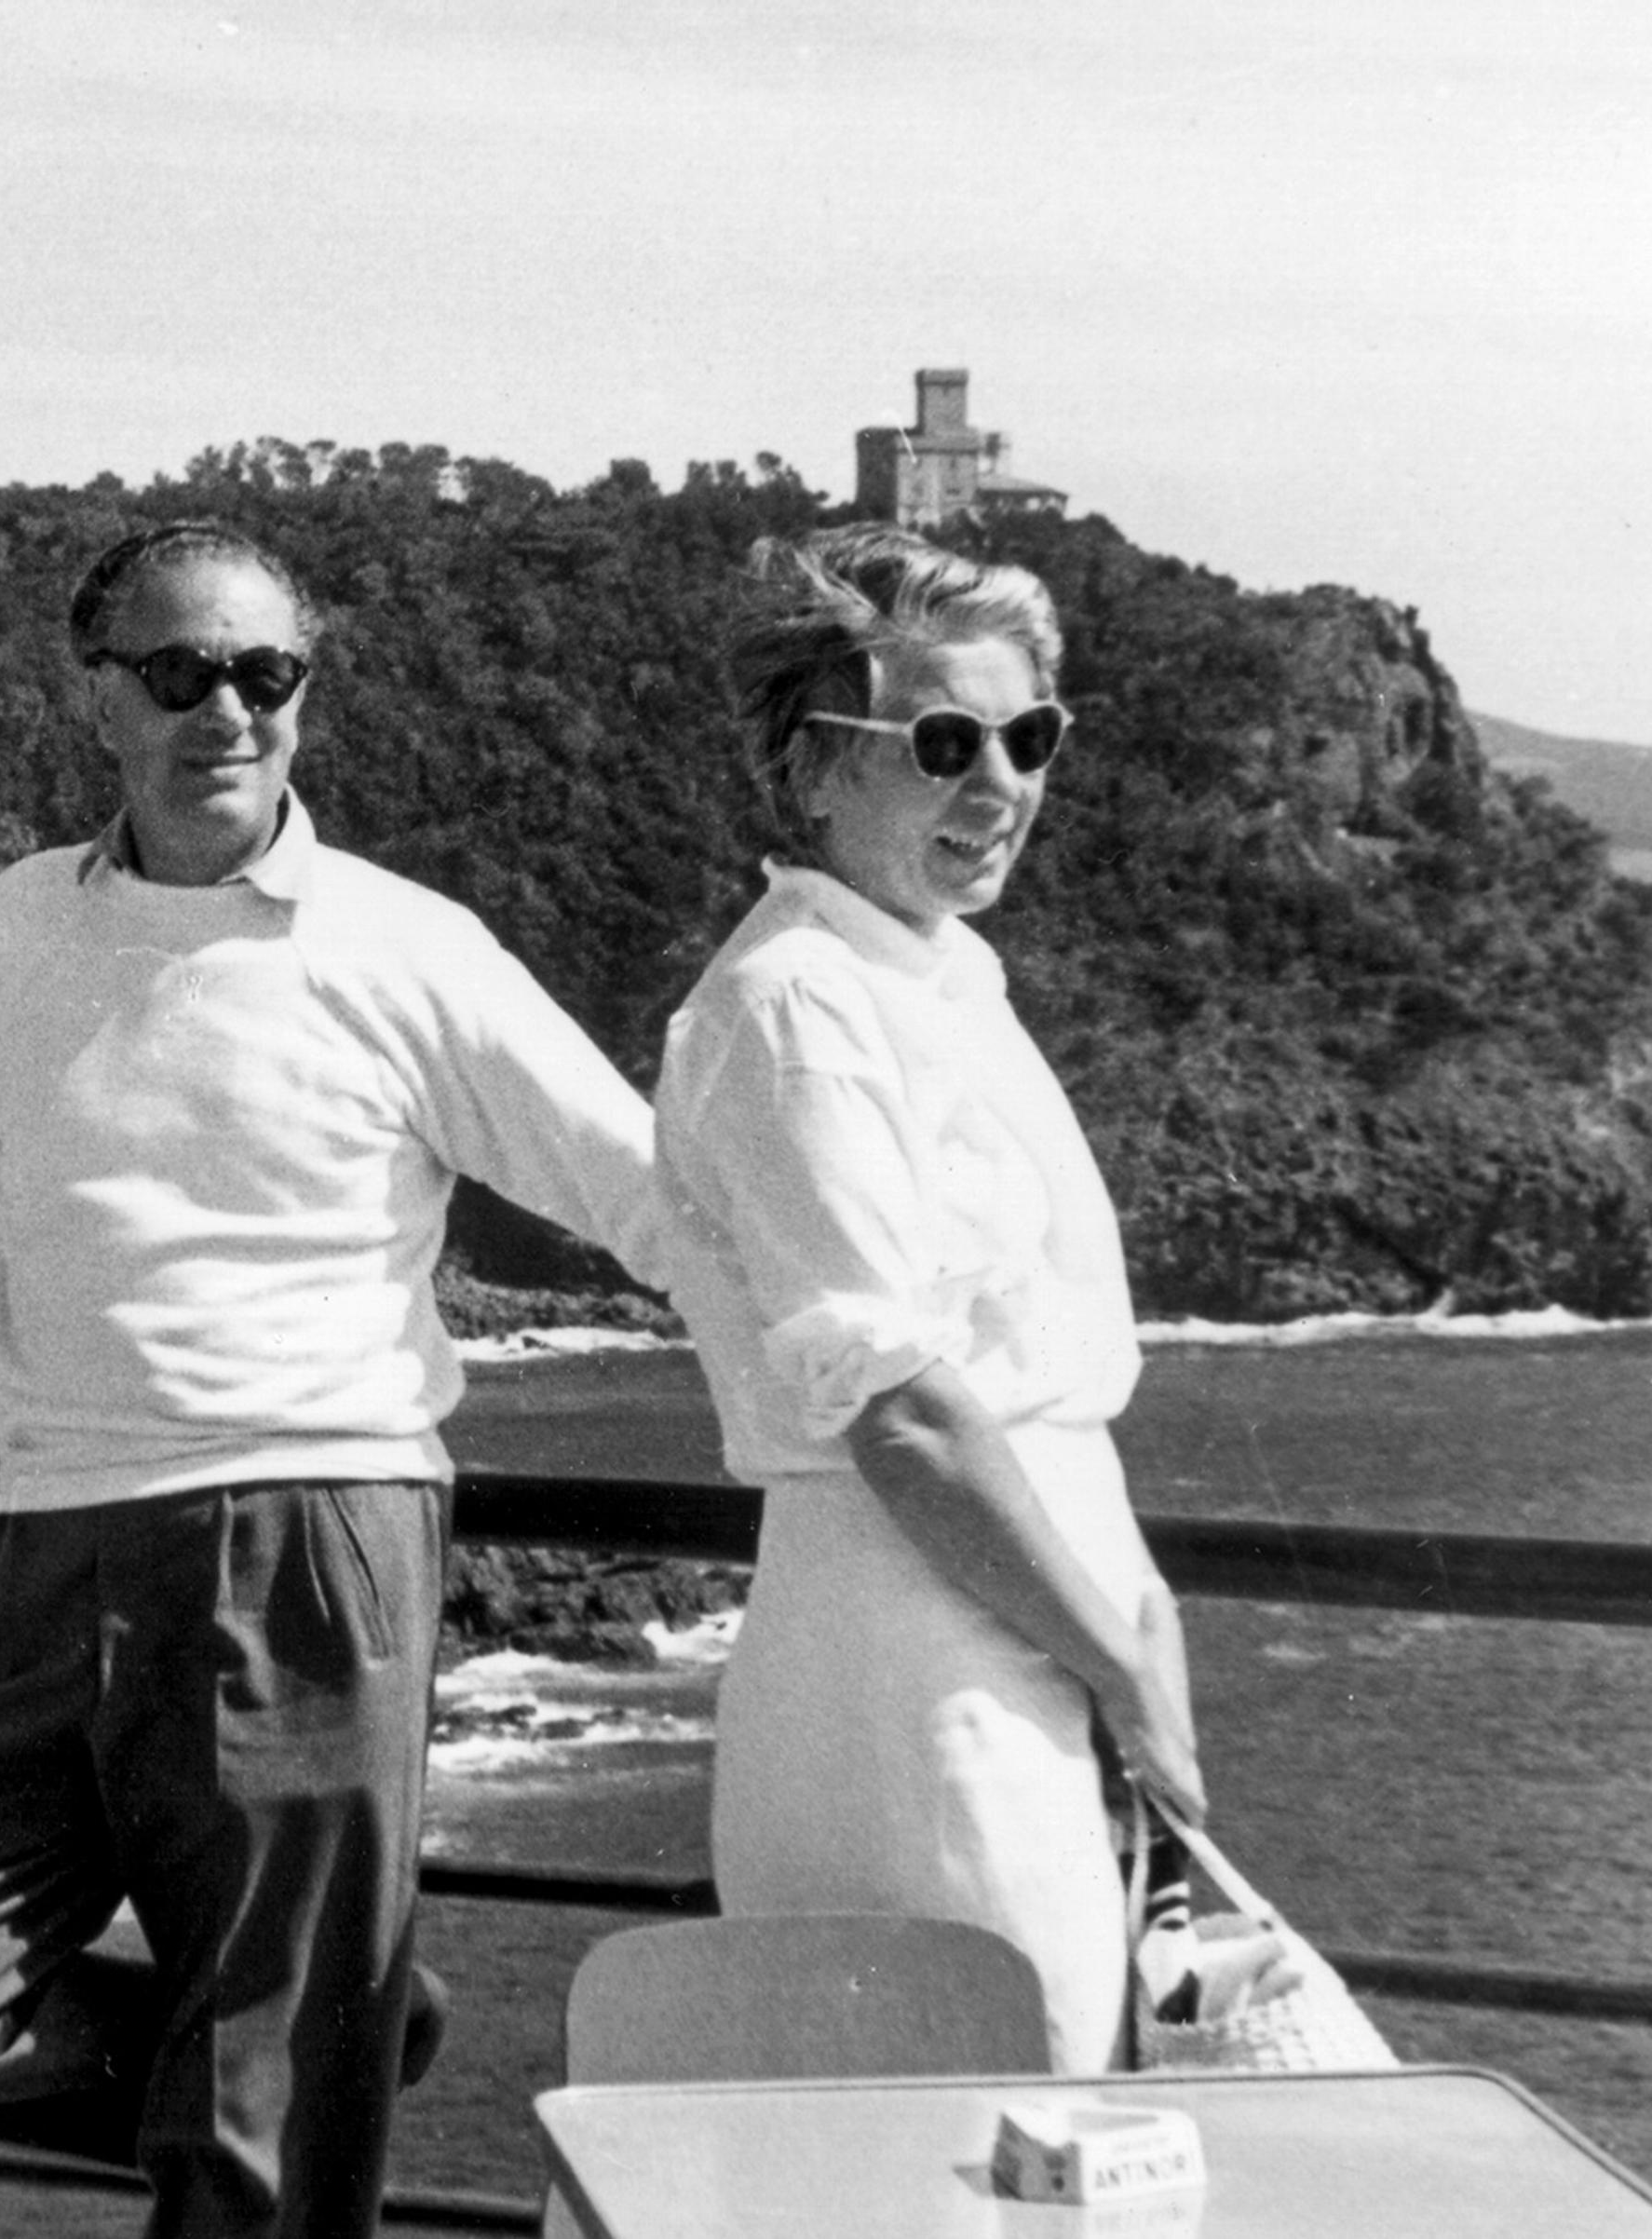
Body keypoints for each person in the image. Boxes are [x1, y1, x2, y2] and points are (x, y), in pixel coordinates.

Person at [0, 522, 679, 2235]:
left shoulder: (404, 942)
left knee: (257, 2161)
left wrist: (844, 1373)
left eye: (264, 673)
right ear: (104, 700)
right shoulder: (25, 921)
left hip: (302, 1536)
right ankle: (337, 2024)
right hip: (52, 1544)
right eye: (180, 672)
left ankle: (313, 2038)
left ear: (304, 695)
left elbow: (640, 1183)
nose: (226, 708)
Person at [653, 523, 1203, 2073]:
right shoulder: (797, 1007)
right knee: (988, 2132)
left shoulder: (932, 978)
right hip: (924, 1683)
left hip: (1025, 1636)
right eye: (943, 741)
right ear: (819, 768)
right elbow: (904, 1414)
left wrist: (1112, 1656)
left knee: (1034, 2120)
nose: (999, 783)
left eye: (1029, 737)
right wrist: (1125, 1668)